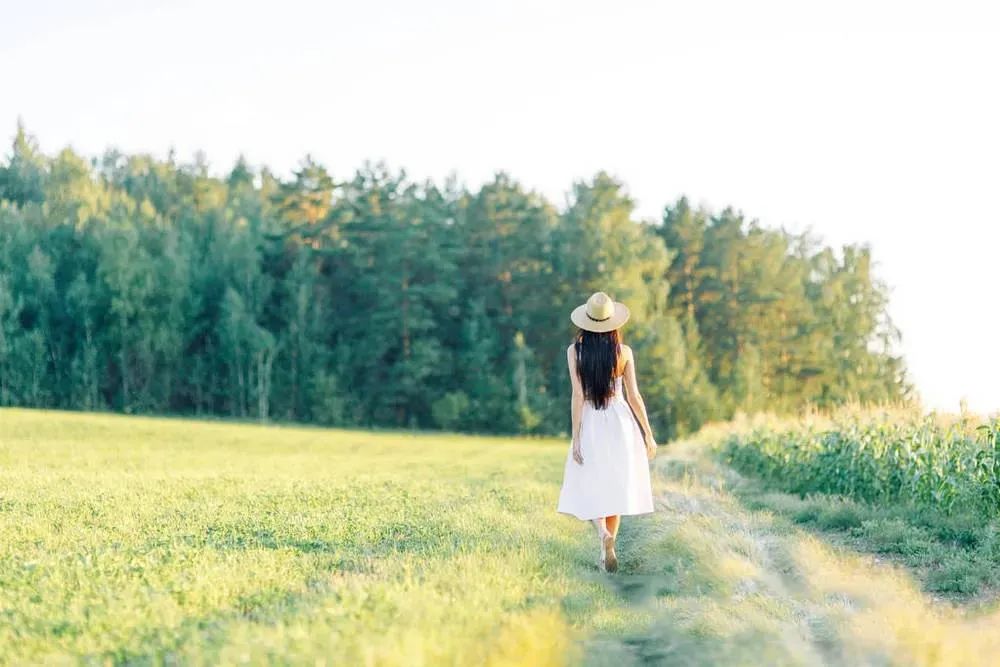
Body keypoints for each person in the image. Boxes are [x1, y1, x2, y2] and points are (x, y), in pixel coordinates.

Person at [556, 291, 657, 573]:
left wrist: (576, 437)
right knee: (616, 486)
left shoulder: (575, 351)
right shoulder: (623, 353)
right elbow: (634, 396)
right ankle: (607, 548)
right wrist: (647, 433)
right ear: (613, 323)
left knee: (589, 482)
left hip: (591, 418)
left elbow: (578, 396)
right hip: (620, 421)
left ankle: (602, 534)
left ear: (586, 322)